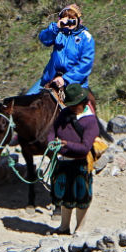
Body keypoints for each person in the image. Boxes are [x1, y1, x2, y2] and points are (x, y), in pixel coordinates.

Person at [47, 83, 99, 234]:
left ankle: (79, 229)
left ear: (82, 103)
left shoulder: (90, 122)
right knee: (65, 196)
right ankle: (64, 227)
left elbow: (85, 147)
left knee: (81, 197)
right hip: (62, 162)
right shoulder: (64, 114)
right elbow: (52, 129)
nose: (71, 108)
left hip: (80, 164)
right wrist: (51, 141)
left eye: (73, 105)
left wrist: (65, 144)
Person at [27, 4, 95, 95]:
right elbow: (44, 39)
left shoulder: (85, 37)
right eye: (64, 18)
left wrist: (65, 79)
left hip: (74, 83)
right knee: (28, 99)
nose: (68, 23)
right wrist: (56, 27)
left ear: (78, 21)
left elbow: (86, 63)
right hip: (50, 79)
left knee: (78, 106)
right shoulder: (58, 33)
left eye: (71, 19)